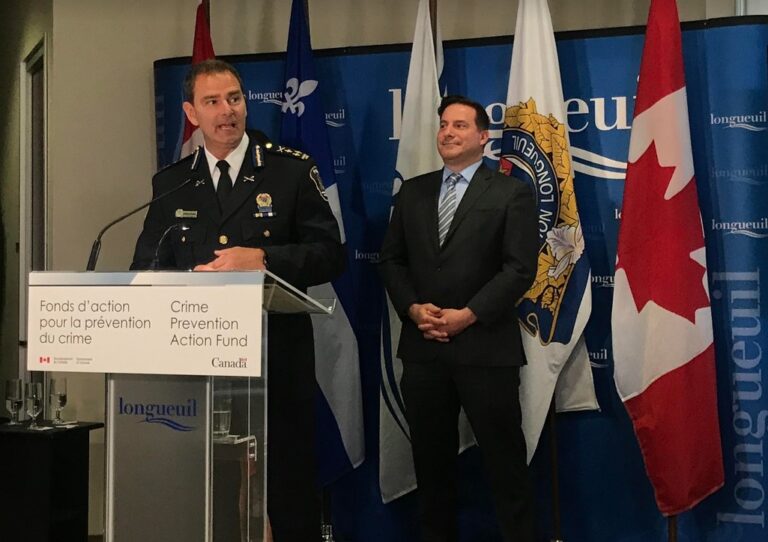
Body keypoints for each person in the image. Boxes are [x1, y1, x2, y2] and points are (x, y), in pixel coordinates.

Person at [131, 59, 344, 542]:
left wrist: (264, 258)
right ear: (191, 113)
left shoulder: (290, 170)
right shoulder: (172, 183)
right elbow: (146, 268)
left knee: (287, 485)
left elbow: (330, 255)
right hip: (200, 363)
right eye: (212, 101)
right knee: (211, 489)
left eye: (234, 98)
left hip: (277, 358)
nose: (227, 111)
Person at [379, 95, 538, 542]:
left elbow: (519, 269)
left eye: (460, 126)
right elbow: (391, 260)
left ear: (484, 137)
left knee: (505, 465)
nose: (448, 132)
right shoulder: (414, 192)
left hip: (485, 349)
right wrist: (413, 309)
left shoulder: (510, 192)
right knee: (432, 468)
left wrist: (468, 315)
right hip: (425, 349)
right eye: (444, 125)